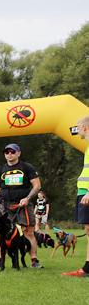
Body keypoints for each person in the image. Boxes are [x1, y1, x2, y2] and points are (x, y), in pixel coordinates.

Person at [0, 143, 43, 269]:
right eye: (7, 152)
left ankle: (34, 261)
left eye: (12, 151)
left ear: (19, 153)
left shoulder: (27, 167)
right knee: (2, 232)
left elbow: (37, 185)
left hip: (23, 204)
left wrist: (28, 198)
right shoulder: (0, 170)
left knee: (28, 231)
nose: (9, 154)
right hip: (5, 204)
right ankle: (0, 259)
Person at [62, 116, 89, 278]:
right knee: (88, 230)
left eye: (78, 128)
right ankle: (87, 269)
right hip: (83, 191)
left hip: (87, 192)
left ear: (84, 127)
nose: (77, 131)